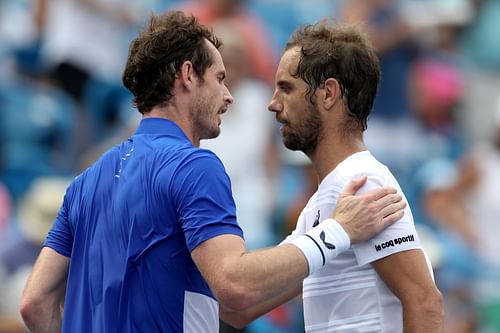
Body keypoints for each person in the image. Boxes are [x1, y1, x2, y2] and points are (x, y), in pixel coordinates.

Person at [19, 11, 406, 333]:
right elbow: (235, 286)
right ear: (188, 75)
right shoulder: (194, 165)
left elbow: (35, 304)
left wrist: (309, 254)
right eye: (220, 79)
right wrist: (338, 232)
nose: (229, 96)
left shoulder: (83, 183)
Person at [221, 20, 444, 332]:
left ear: (328, 94)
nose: (273, 104)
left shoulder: (365, 184)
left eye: (286, 88)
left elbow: (424, 301)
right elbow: (241, 306)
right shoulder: (327, 203)